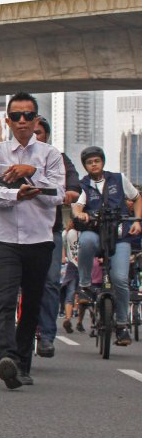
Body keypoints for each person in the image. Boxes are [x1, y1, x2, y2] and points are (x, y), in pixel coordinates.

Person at [0, 91, 64, 389]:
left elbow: (59, 195)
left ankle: (23, 364)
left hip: (40, 240)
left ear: (36, 119)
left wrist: (33, 174)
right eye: (16, 116)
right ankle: (8, 360)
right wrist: (16, 194)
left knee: (32, 304)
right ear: (8, 120)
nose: (23, 121)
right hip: (3, 239)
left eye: (28, 116)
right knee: (4, 299)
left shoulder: (50, 156)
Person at [71, 145, 142, 346]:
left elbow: (136, 198)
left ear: (102, 162)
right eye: (89, 162)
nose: (94, 165)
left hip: (119, 236)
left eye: (97, 161)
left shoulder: (118, 179)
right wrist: (80, 214)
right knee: (84, 240)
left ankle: (121, 326)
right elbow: (77, 206)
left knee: (120, 279)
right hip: (95, 233)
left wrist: (137, 221)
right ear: (85, 166)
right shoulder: (83, 185)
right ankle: (84, 286)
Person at [32, 116, 81, 357]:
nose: (34, 135)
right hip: (15, 232)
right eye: (30, 131)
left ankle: (47, 336)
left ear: (46, 136)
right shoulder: (8, 155)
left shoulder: (58, 158)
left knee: (50, 282)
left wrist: (71, 191)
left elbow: (73, 182)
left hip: (49, 231)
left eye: (39, 132)